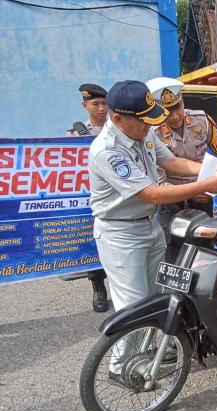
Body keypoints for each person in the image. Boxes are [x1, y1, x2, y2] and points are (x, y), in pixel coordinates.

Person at [88, 80, 217, 317]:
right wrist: (202, 185)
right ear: (119, 119)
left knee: (157, 298)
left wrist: (213, 170)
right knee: (133, 308)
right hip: (122, 234)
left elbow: (173, 162)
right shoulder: (108, 150)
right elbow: (151, 194)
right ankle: (126, 355)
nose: (149, 124)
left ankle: (156, 353)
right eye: (143, 119)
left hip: (150, 225)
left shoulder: (142, 133)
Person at [146, 77, 217, 262]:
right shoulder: (151, 133)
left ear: (182, 101)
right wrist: (191, 193)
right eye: (167, 112)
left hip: (203, 194)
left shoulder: (202, 120)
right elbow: (158, 182)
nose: (175, 116)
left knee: (205, 245)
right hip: (171, 199)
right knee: (173, 247)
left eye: (177, 107)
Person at [67, 83, 110, 313]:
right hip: (89, 197)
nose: (101, 108)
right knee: (93, 245)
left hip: (113, 194)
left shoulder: (117, 128)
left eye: (104, 103)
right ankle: (98, 288)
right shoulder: (75, 134)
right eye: (96, 104)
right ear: (85, 105)